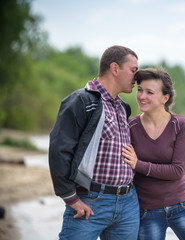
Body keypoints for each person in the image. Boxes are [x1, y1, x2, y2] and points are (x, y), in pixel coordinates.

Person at [49, 45, 140, 240]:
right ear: (115, 69)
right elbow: (59, 150)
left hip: (128, 203)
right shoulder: (80, 101)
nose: (137, 77)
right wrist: (70, 198)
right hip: (91, 201)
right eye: (133, 71)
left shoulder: (123, 107)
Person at [122, 67, 185, 240]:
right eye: (140, 90)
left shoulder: (180, 125)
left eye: (149, 92)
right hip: (146, 212)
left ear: (165, 98)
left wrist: (138, 164)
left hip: (183, 206)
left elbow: (177, 171)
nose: (142, 96)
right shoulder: (130, 127)